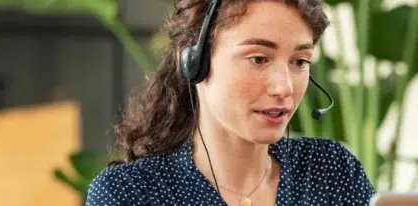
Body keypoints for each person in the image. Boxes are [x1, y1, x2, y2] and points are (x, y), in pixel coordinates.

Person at [85, 0, 376, 205]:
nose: (284, 87)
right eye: (258, 59)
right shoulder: (129, 194)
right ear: (193, 61)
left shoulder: (333, 170)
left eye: (299, 61)